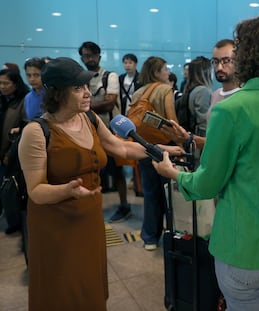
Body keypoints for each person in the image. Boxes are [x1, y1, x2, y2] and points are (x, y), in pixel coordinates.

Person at [153, 14, 259, 310]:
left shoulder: (232, 109)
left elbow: (207, 183)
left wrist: (174, 174)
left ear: (248, 54)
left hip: (246, 250)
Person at [18, 57, 182, 311]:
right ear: (58, 93)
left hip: (89, 220)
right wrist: (66, 190)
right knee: (62, 289)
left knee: (89, 286)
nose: (87, 93)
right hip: (55, 226)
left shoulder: (90, 118)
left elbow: (121, 148)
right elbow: (36, 191)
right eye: (78, 88)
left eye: (87, 86)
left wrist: (160, 149)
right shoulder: (37, 132)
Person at [78, 41, 131, 223]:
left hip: (109, 130)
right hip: (87, 131)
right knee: (91, 169)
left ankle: (124, 205)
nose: (90, 59)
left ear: (99, 57)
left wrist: (83, 105)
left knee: (116, 171)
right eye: (86, 55)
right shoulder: (80, 78)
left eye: (93, 55)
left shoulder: (110, 76)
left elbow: (109, 103)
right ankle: (92, 206)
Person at [130, 56, 178, 250]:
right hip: (166, 147)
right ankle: (172, 235)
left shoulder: (138, 92)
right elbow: (172, 120)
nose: (167, 72)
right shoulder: (165, 89)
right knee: (169, 194)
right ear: (157, 72)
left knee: (150, 193)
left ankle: (149, 237)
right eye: (165, 69)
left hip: (143, 146)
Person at [163, 39, 239, 149]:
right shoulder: (215, 94)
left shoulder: (245, 96)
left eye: (226, 60)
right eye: (216, 61)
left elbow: (232, 144)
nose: (219, 67)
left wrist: (189, 139)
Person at [0, 68, 29, 233]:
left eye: (6, 83)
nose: (2, 87)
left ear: (16, 84)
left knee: (12, 189)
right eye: (0, 83)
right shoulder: (2, 100)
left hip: (12, 154)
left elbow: (24, 128)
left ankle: (17, 222)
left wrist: (10, 153)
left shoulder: (23, 101)